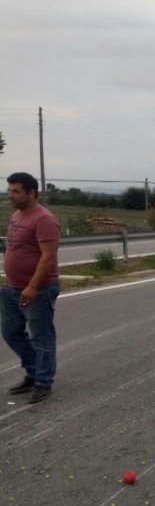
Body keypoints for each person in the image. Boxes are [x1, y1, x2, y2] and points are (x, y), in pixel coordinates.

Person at [2, 172, 61, 404]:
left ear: (31, 192)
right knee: (10, 332)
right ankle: (34, 371)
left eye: (15, 191)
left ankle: (43, 381)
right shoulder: (17, 215)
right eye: (9, 191)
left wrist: (32, 287)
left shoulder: (43, 219)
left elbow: (48, 257)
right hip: (10, 288)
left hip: (38, 288)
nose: (10, 196)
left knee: (42, 337)